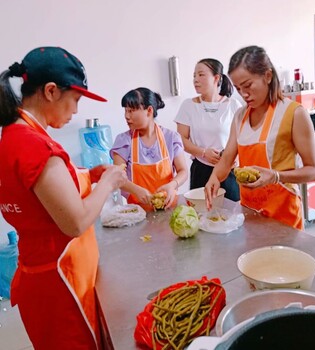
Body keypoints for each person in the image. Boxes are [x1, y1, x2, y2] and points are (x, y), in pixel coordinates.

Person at [0, 46, 127, 350]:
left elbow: (43, 192)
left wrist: (88, 175)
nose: (76, 111)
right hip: (60, 283)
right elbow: (75, 222)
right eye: (76, 100)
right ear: (51, 91)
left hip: (41, 275)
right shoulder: (35, 145)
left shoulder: (14, 136)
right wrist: (108, 183)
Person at [205, 46, 315, 230]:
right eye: (238, 88)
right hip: (250, 215)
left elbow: (314, 171)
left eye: (248, 85)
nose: (243, 94)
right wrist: (214, 178)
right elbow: (227, 159)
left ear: (267, 76)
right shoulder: (240, 117)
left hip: (284, 219)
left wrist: (276, 176)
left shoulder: (293, 114)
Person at [174, 58, 243, 201]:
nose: (195, 80)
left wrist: (234, 157)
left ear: (216, 78)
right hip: (201, 169)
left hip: (228, 170)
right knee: (201, 214)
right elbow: (180, 140)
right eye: (194, 76)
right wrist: (204, 153)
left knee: (231, 216)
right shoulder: (188, 106)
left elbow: (243, 138)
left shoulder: (233, 105)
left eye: (201, 75)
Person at [110, 87, 188, 211]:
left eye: (131, 111)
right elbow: (117, 176)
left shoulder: (171, 138)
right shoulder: (124, 141)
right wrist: (136, 190)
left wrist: (172, 186)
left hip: (169, 209)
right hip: (137, 213)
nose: (126, 116)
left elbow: (183, 171)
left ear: (149, 111)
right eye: (125, 111)